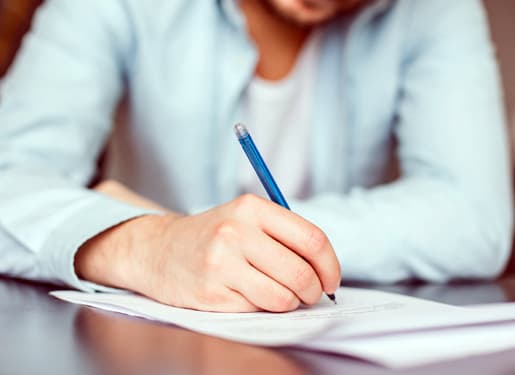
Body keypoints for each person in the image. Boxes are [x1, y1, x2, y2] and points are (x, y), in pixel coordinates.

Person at [0, 0, 511, 312]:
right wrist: (148, 245)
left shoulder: (435, 8)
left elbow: (474, 219)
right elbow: (10, 176)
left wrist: (199, 235)